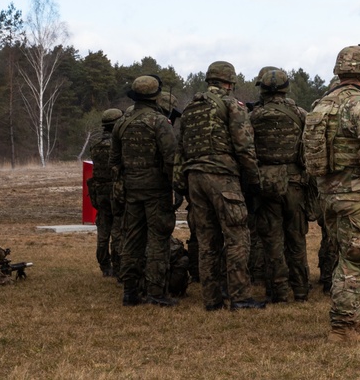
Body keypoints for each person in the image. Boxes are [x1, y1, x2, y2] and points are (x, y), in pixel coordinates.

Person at [303, 45, 360, 343]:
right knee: (356, 257)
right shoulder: (359, 104)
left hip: (329, 194)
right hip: (357, 193)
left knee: (348, 253)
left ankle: (354, 321)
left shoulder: (321, 104)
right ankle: (342, 327)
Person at [175, 61, 266, 312]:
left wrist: (182, 181)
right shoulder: (230, 105)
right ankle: (240, 297)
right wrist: (254, 180)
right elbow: (244, 146)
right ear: (229, 82)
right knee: (237, 236)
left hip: (195, 178)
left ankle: (211, 299)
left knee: (207, 241)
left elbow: (180, 148)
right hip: (222, 177)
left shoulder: (190, 109)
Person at [110, 75, 178, 307]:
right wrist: (176, 187)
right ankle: (156, 293)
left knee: (132, 240)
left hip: (131, 190)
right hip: (156, 190)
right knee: (158, 240)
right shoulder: (159, 122)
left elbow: (115, 160)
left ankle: (130, 292)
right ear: (156, 96)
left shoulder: (122, 123)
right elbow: (171, 158)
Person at [249, 67, 311, 303]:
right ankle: (301, 290)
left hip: (266, 185)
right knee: (296, 239)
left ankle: (279, 292)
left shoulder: (254, 117)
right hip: (295, 185)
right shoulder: (301, 114)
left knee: (272, 240)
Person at [87, 108, 123, 277]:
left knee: (103, 230)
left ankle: (104, 265)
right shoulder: (118, 143)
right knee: (117, 230)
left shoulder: (95, 143)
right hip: (115, 191)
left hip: (99, 191)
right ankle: (117, 265)